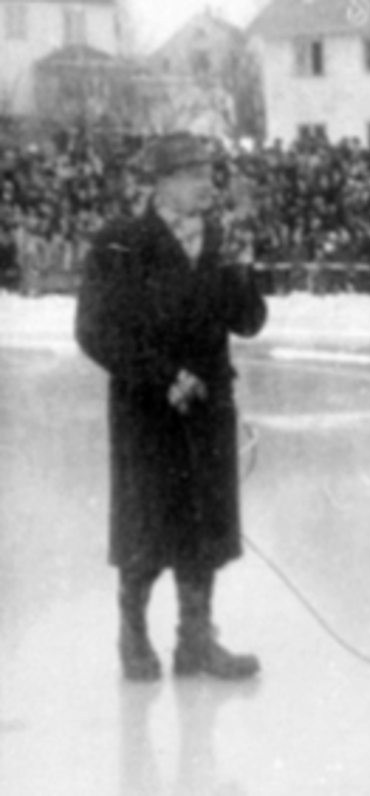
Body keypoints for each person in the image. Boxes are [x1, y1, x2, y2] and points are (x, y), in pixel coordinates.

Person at [75, 132, 268, 682]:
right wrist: (162, 377)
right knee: (145, 530)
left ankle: (195, 641)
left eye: (209, 171)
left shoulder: (219, 240)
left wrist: (240, 265)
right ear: (160, 182)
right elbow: (92, 330)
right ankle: (132, 636)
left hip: (208, 407)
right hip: (147, 411)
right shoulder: (121, 240)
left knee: (204, 529)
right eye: (192, 173)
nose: (207, 182)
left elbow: (249, 321)